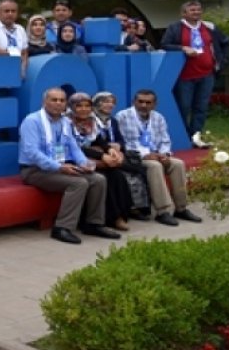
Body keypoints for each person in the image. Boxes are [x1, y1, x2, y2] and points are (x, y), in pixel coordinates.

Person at [17, 87, 117, 245]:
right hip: (35, 170)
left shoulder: (65, 121)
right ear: (44, 102)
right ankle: (62, 228)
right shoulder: (32, 121)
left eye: (62, 100)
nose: (58, 103)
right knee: (79, 183)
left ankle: (94, 224)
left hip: (60, 167)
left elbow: (73, 147)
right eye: (54, 100)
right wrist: (58, 167)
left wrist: (85, 164)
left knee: (98, 179)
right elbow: (32, 153)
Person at [115, 89, 203, 226]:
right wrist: (146, 154)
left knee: (178, 163)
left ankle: (181, 208)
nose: (144, 105)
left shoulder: (158, 117)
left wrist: (164, 154)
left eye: (148, 102)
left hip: (156, 154)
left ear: (154, 104)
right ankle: (163, 211)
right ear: (134, 102)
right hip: (133, 157)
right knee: (154, 166)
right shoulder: (123, 116)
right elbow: (125, 143)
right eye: (140, 102)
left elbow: (165, 140)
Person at [160, 0, 229, 148]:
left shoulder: (209, 26)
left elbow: (226, 42)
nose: (196, 12)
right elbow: (165, 44)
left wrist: (222, 61)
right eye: (192, 10)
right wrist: (183, 48)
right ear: (184, 13)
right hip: (184, 75)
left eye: (198, 10)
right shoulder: (175, 28)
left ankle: (196, 136)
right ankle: (183, 136)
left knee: (201, 107)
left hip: (206, 74)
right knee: (184, 107)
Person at [67, 92, 132, 232]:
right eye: (79, 106)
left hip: (89, 156)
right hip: (72, 159)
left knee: (117, 175)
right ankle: (110, 218)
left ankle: (122, 215)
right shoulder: (66, 122)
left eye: (87, 106)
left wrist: (110, 150)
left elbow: (98, 139)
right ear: (72, 107)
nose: (84, 109)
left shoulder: (90, 121)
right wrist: (102, 155)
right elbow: (76, 147)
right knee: (102, 177)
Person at [92, 91, 151, 220]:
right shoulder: (91, 121)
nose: (110, 105)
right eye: (106, 102)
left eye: (112, 102)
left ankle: (138, 207)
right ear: (97, 103)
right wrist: (108, 147)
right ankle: (129, 208)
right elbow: (92, 141)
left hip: (115, 153)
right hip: (100, 155)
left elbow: (120, 139)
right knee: (129, 170)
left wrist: (118, 145)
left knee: (137, 170)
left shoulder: (112, 121)